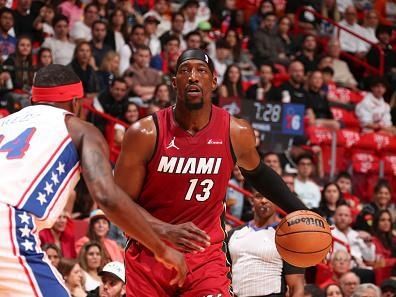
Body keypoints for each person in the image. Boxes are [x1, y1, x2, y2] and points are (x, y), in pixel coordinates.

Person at [114, 48, 308, 296]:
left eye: (201, 70)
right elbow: (118, 205)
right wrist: (165, 230)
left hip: (204, 259)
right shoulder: (145, 133)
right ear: (174, 83)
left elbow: (258, 174)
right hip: (149, 255)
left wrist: (304, 211)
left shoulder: (235, 131)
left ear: (214, 81)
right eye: (185, 71)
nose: (193, 76)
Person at [0, 64, 188, 296]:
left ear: (33, 99)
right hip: (8, 223)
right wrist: (160, 248)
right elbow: (107, 197)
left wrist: (163, 230)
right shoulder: (80, 128)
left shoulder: (5, 123)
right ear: (76, 102)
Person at [227, 191, 305, 297]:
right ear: (251, 200)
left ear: (277, 202)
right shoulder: (233, 234)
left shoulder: (288, 236)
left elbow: (296, 286)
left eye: (269, 196)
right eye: (259, 196)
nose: (264, 201)